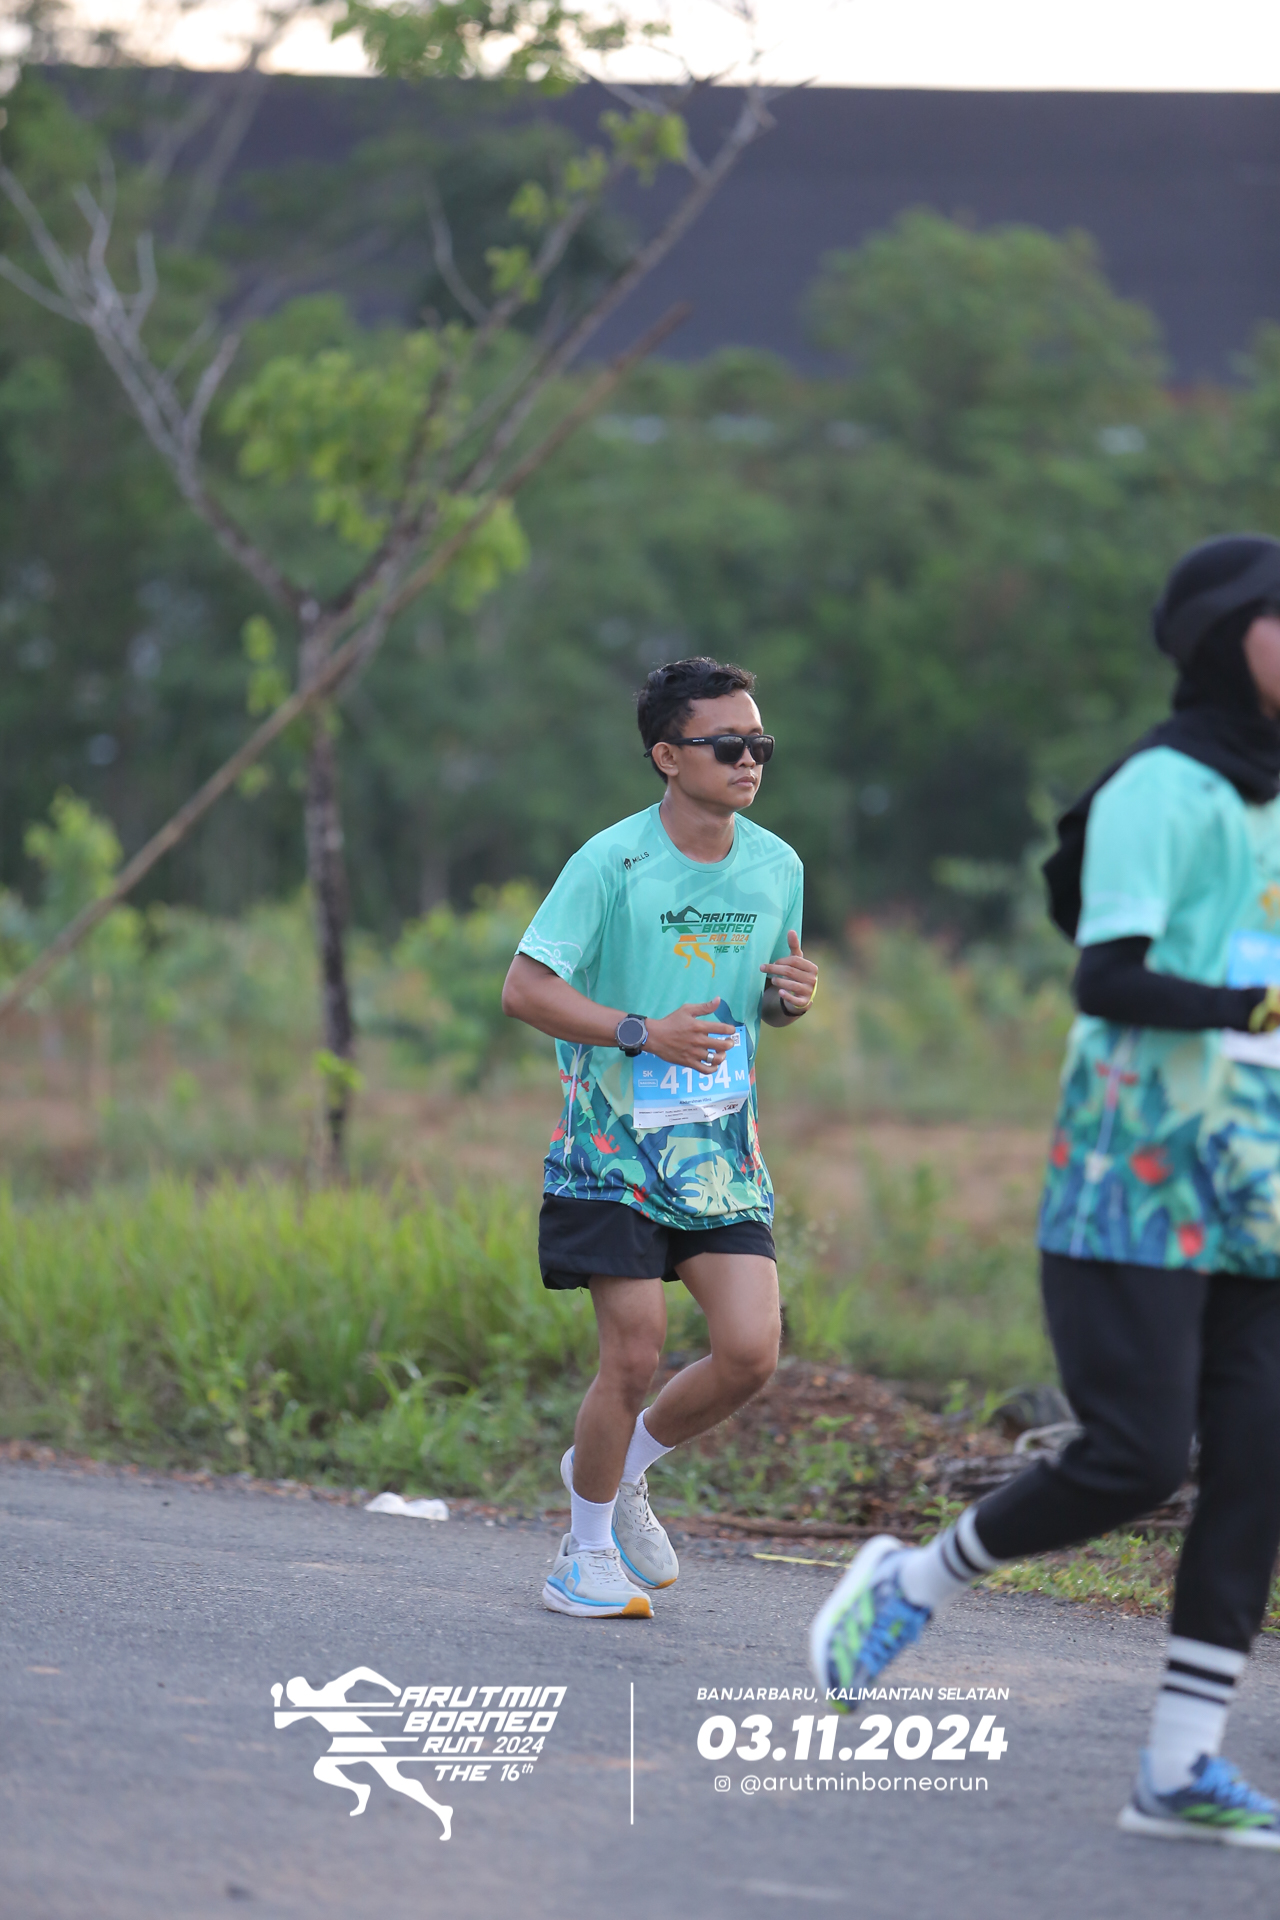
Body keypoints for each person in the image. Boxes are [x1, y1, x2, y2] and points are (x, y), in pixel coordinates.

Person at [810, 534, 1280, 1848]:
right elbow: (1107, 974)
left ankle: (1178, 1767)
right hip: (1136, 1174)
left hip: (1259, 1185)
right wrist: (1251, 1002)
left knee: (1259, 1463)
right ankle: (914, 1581)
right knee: (1136, 1458)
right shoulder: (1159, 786)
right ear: (1224, 638)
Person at [502, 656, 817, 1619]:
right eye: (728, 745)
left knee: (750, 1353)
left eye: (760, 744)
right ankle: (583, 1553)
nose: (749, 760)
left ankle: (619, 1467)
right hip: (612, 1150)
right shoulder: (611, 862)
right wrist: (642, 1032)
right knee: (633, 1353)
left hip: (720, 1156)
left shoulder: (778, 866)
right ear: (668, 756)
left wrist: (788, 999)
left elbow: (767, 997)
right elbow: (526, 990)